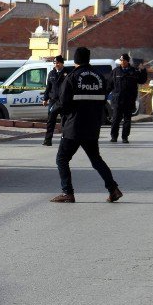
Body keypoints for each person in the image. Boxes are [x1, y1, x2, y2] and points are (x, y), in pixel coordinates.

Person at [50, 47, 122, 203]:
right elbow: (103, 101)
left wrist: (54, 111)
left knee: (62, 159)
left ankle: (67, 192)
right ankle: (113, 189)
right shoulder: (99, 77)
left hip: (73, 127)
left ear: (75, 60)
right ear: (88, 59)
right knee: (96, 159)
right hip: (93, 126)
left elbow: (64, 103)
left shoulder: (72, 77)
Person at [108, 53, 147, 143]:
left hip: (129, 100)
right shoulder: (115, 71)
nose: (122, 62)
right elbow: (109, 85)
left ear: (127, 61)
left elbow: (142, 80)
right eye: (121, 60)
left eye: (124, 60)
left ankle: (125, 137)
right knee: (115, 120)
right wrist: (104, 94)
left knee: (127, 120)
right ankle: (114, 137)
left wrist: (143, 70)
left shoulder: (133, 71)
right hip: (117, 100)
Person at [42, 55, 67, 146]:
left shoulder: (67, 72)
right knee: (50, 121)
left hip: (64, 100)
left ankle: (65, 140)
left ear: (62, 63)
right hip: (53, 100)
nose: (56, 64)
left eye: (57, 63)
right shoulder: (52, 73)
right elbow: (48, 87)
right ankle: (47, 140)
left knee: (65, 121)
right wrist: (45, 99)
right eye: (55, 63)